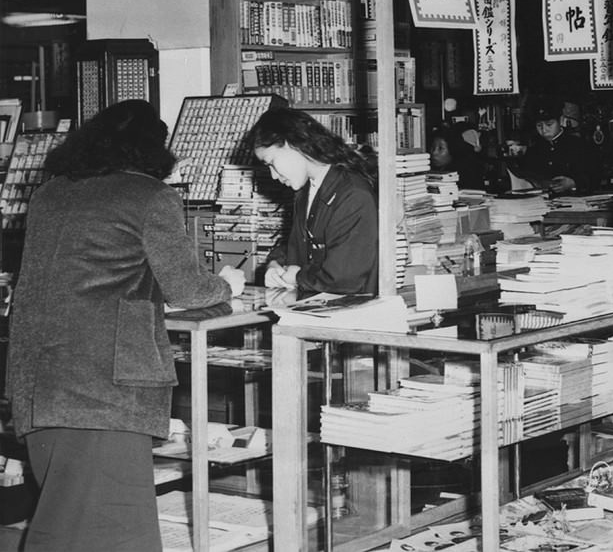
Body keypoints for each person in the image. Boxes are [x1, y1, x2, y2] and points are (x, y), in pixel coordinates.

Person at [6, 99, 244, 551]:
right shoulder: (152, 197)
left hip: (39, 386)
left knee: (61, 518)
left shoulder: (51, 192)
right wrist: (226, 284)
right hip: (104, 390)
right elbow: (189, 290)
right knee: (111, 530)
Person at [249, 107, 378, 295]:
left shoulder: (353, 195)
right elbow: (302, 246)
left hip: (351, 314)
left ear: (291, 144)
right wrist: (276, 264)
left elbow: (343, 278)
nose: (273, 176)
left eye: (271, 163)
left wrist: (297, 277)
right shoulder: (307, 190)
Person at [511, 99, 596, 196]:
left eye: (549, 124)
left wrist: (574, 183)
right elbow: (528, 175)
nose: (544, 130)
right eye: (539, 125)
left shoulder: (578, 145)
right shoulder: (533, 149)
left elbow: (594, 176)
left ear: (560, 121)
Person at [429, 124, 486, 191]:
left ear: (452, 150)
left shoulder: (467, 174)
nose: (434, 152)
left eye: (441, 148)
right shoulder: (431, 171)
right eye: (433, 147)